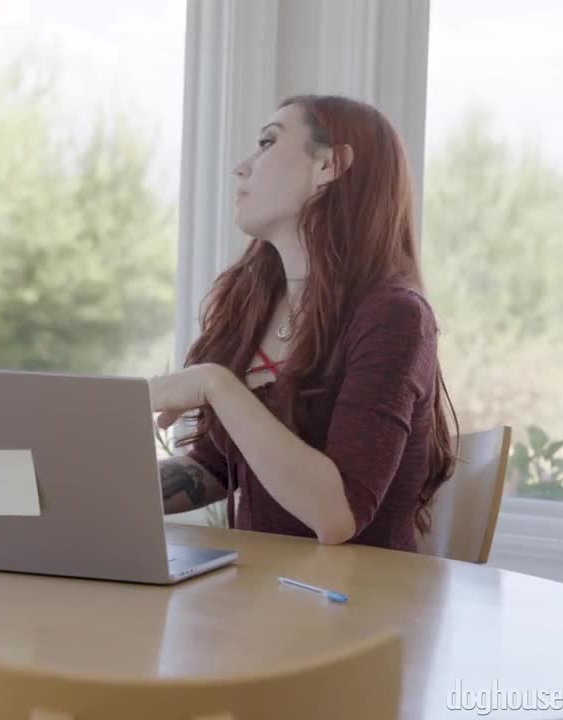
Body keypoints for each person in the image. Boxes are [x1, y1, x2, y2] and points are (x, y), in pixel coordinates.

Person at [149, 94, 458, 552]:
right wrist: (93, 486)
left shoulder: (396, 316)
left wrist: (214, 384)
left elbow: (337, 515)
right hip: (262, 585)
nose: (241, 168)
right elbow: (215, 469)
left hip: (359, 592)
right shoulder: (254, 304)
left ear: (328, 166)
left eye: (267, 143)